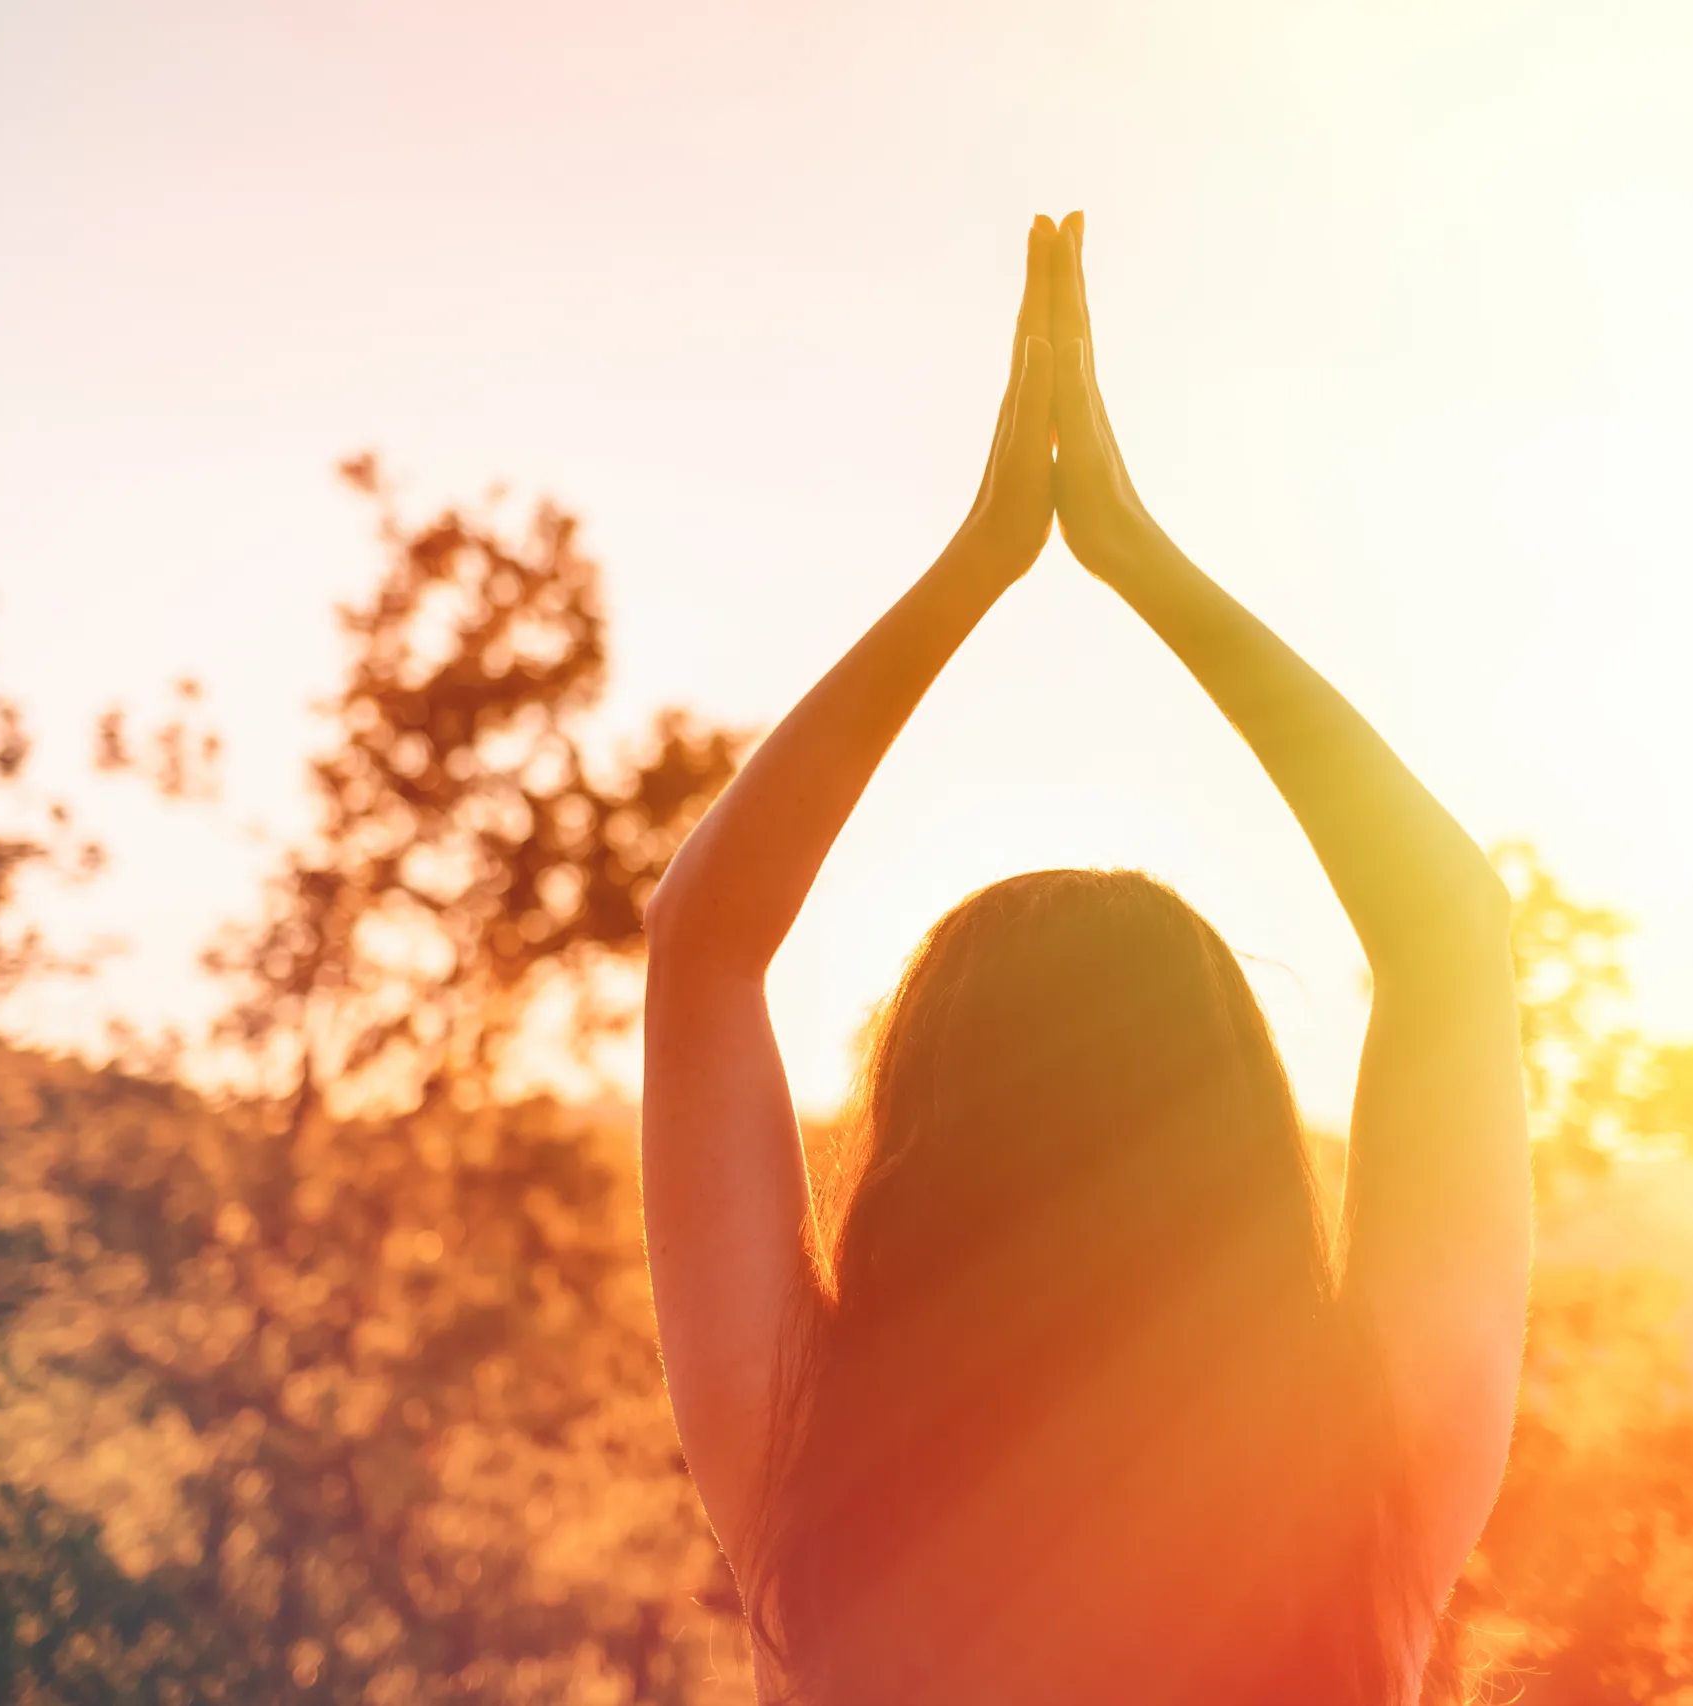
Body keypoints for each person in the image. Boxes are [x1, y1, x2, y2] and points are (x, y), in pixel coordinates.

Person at [640, 212, 1529, 1706]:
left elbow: (702, 948)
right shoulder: (1370, 1500)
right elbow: (1449, 934)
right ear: (1232, 1136)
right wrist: (1136, 552)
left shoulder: (822, 1494)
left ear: (928, 1133)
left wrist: (977, 566)